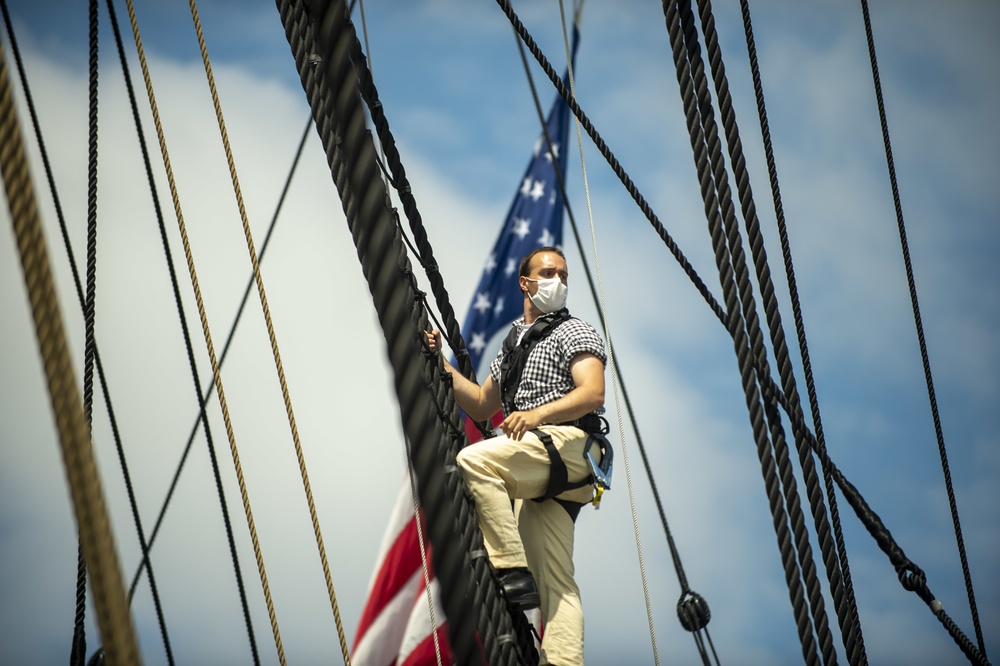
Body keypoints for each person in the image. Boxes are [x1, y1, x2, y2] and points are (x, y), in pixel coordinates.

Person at [427, 246, 606, 666]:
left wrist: (535, 415)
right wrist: (440, 362)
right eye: (547, 272)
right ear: (524, 283)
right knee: (556, 585)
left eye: (563, 274)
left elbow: (592, 392)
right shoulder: (513, 343)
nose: (557, 281)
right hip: (543, 465)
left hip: (571, 446)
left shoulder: (574, 331)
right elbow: (480, 404)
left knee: (475, 461)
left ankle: (509, 569)